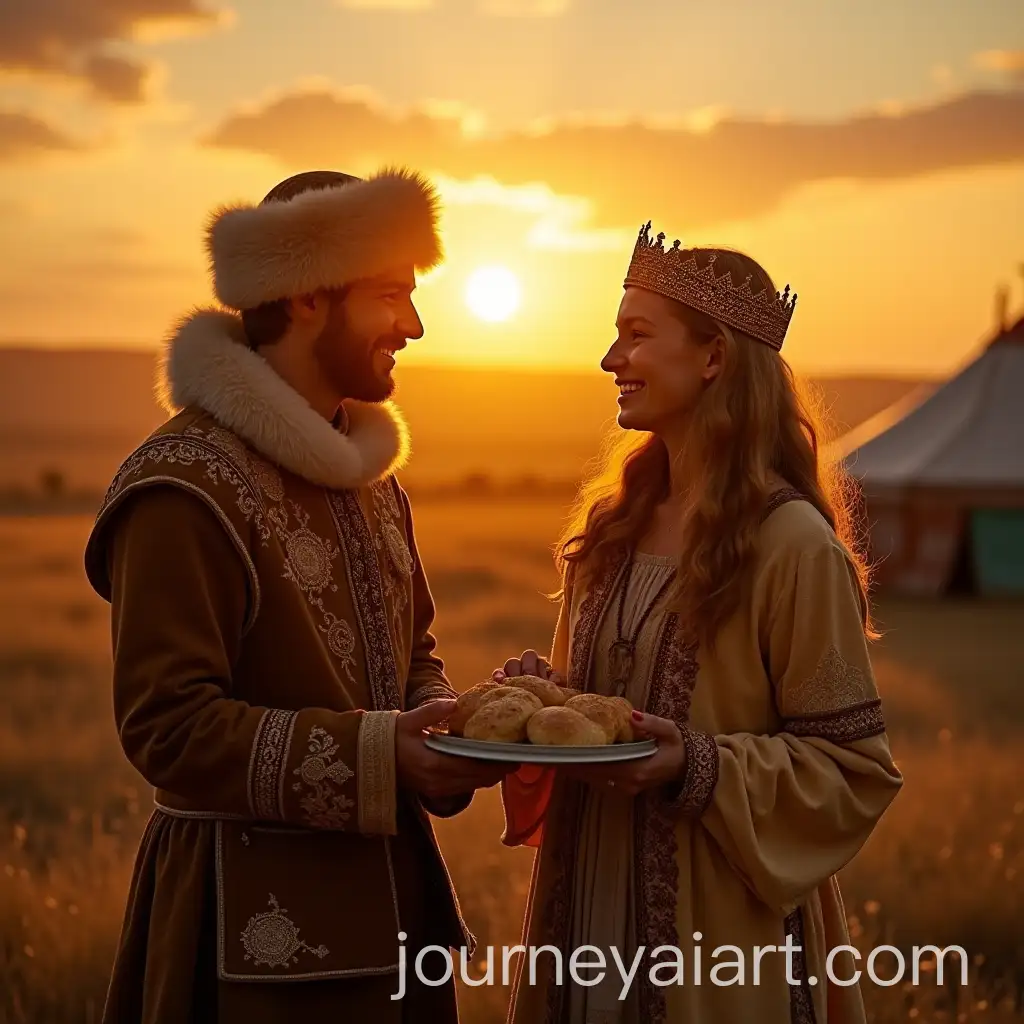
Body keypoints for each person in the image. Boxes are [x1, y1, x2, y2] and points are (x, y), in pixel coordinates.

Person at [83, 168, 510, 1023]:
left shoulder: (369, 476)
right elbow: (168, 728)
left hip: (396, 922)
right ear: (309, 297)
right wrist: (385, 752)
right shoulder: (182, 486)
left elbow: (411, 656)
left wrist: (451, 725)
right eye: (392, 294)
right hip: (245, 941)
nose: (415, 326)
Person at [496, 224, 904, 1023]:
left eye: (636, 336)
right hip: (584, 919)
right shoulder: (610, 534)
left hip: (719, 945)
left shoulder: (792, 548)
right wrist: (542, 705)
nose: (611, 361)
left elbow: (853, 770)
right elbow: (595, 715)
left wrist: (696, 765)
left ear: (713, 358)